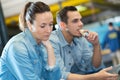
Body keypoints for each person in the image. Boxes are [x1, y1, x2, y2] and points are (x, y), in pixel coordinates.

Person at [49, 6, 118, 80]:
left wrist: (96, 44)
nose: (81, 24)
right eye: (75, 21)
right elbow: (61, 76)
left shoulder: (80, 38)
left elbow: (95, 66)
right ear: (63, 25)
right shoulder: (52, 42)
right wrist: (95, 77)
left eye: (80, 20)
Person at [0, 1, 61, 80]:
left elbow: (54, 77)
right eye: (43, 26)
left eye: (50, 24)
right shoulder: (17, 46)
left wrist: (50, 49)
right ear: (30, 25)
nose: (49, 30)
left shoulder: (43, 44)